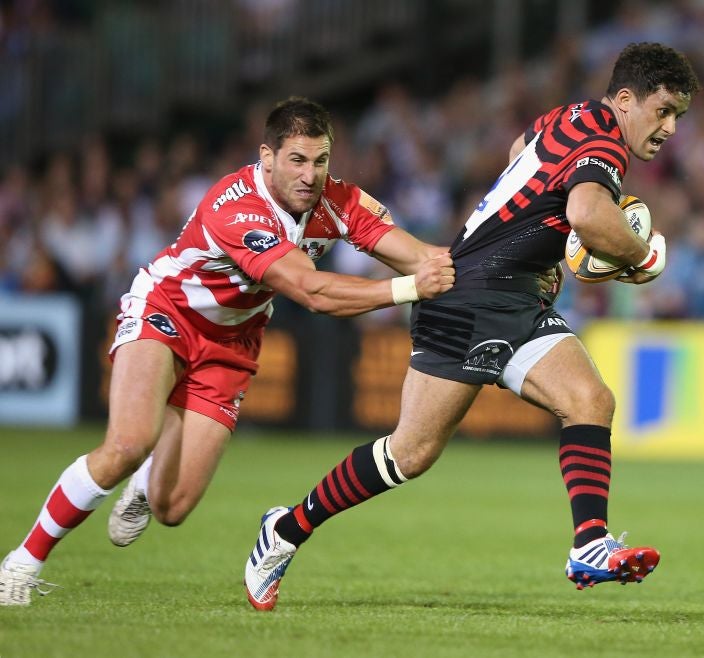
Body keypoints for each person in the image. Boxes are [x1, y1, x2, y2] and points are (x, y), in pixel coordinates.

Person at [244, 42, 701, 611]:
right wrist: (641, 257)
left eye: (678, 115)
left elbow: (521, 152)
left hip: (515, 295)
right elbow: (586, 214)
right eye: (663, 111)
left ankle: (590, 543)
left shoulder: (570, 118)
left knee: (591, 400)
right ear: (626, 100)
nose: (670, 127)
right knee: (410, 453)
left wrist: (545, 239)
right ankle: (286, 530)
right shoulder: (605, 140)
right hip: (469, 298)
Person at [0, 97, 458, 606]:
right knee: (127, 444)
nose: (310, 175)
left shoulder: (338, 200)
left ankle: (149, 478)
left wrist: (496, 268)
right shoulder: (237, 206)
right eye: (297, 160)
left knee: (172, 508)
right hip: (167, 312)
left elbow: (423, 256)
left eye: (321, 160)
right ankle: (22, 563)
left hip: (232, 343)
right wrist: (409, 289)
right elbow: (311, 293)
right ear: (267, 158)